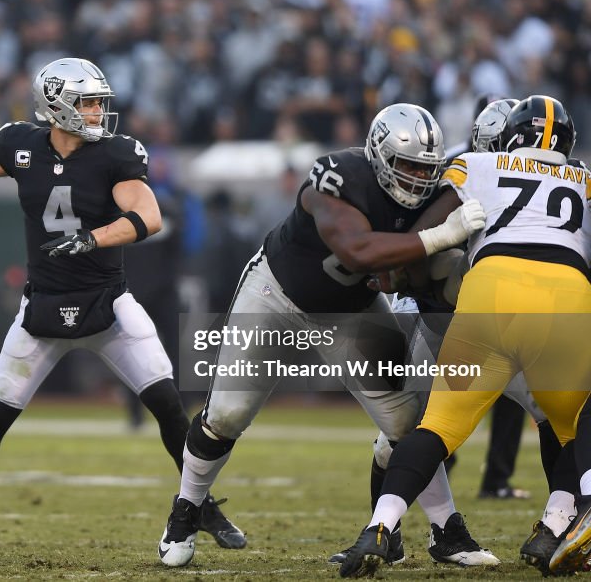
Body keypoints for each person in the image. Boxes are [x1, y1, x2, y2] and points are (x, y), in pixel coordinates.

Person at [158, 103, 497, 568]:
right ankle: (186, 510)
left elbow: (405, 269)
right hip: (276, 294)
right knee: (227, 415)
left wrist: (432, 268)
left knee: (406, 424)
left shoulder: (433, 195)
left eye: (426, 168)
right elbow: (357, 251)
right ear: (379, 157)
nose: (419, 179)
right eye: (408, 166)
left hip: (349, 311)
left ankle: (447, 533)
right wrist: (440, 237)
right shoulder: (338, 174)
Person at [0, 57, 244, 549]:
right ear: (55, 106)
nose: (98, 112)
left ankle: (196, 508)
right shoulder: (21, 144)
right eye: (88, 102)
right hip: (42, 308)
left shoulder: (114, 155)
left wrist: (92, 239)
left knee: (167, 404)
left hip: (107, 304)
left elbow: (148, 215)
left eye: (99, 102)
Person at [337, 95, 591, 577]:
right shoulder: (584, 178)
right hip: (565, 299)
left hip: (485, 297)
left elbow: (422, 232)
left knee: (433, 429)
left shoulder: (474, 163)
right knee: (573, 423)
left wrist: (407, 278)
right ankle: (559, 523)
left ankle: (380, 525)